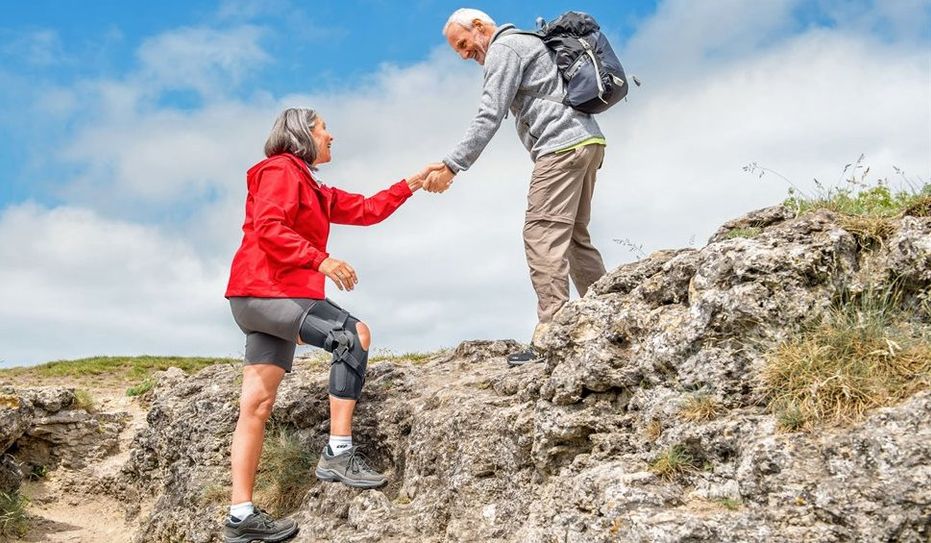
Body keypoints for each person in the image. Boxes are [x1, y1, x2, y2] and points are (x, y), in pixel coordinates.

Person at [223, 107, 427, 543]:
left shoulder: (312, 186)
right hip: (270, 291)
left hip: (257, 298)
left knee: (256, 405)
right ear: (302, 136)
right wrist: (322, 259)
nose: (331, 136)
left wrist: (412, 183)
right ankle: (338, 452)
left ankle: (240, 516)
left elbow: (368, 209)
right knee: (353, 335)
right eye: (323, 130)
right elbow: (269, 228)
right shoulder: (279, 170)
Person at [422, 8, 609, 366]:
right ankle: (611, 315)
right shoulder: (528, 41)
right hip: (587, 142)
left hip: (559, 148)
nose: (464, 54)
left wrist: (452, 165)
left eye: (463, 44)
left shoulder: (504, 49)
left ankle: (552, 337)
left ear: (479, 27)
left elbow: (490, 113)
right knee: (572, 238)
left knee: (540, 235)